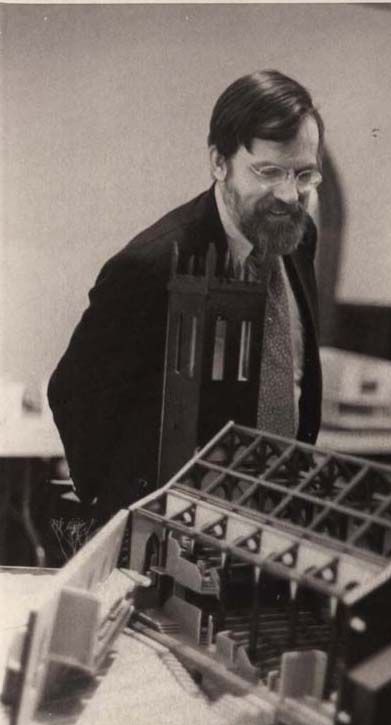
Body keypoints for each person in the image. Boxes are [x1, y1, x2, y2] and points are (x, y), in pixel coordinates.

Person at [48, 70, 324, 520]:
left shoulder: (299, 236)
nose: (290, 195)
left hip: (279, 513)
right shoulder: (150, 265)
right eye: (269, 172)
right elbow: (73, 392)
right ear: (219, 162)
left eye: (304, 174)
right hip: (174, 521)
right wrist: (124, 505)